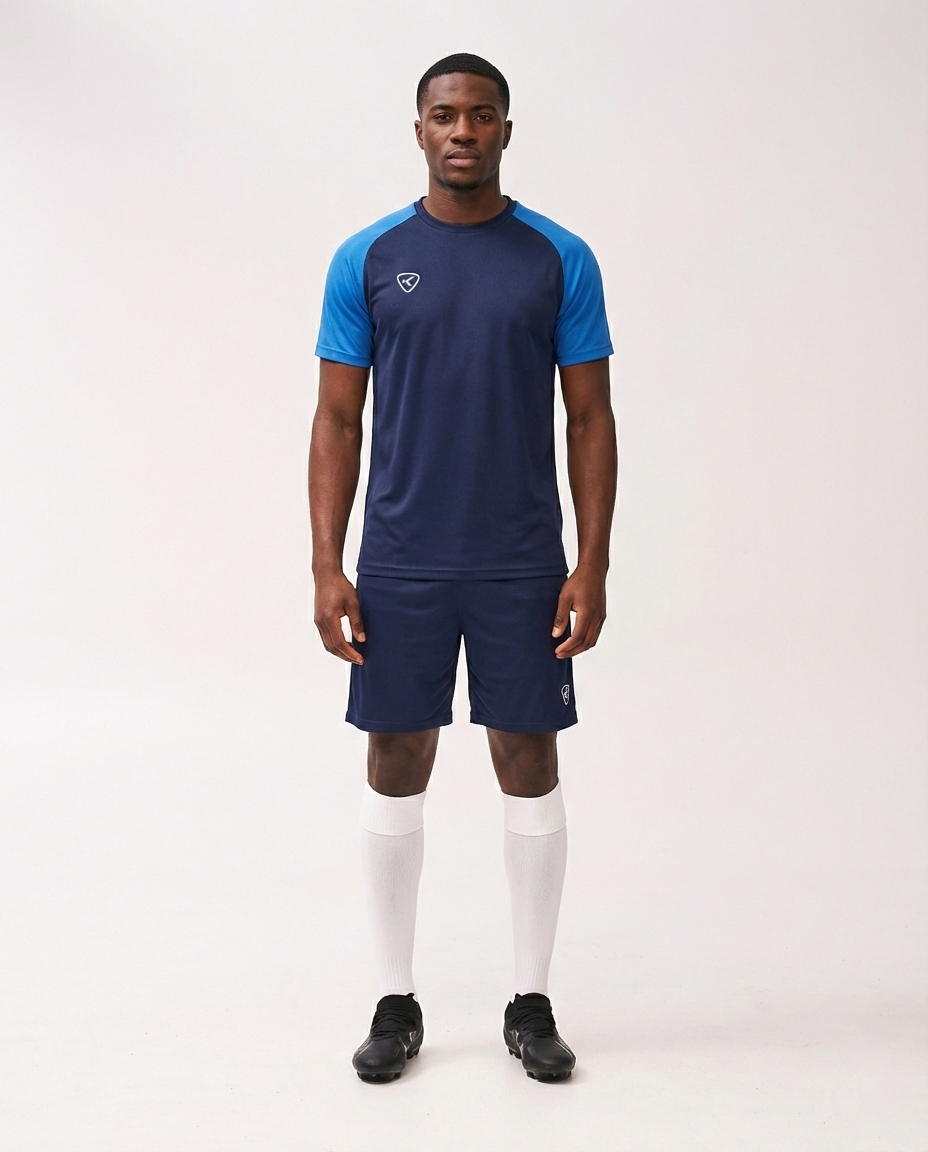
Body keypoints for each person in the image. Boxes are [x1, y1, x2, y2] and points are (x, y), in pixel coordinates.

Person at [309, 53, 616, 1083]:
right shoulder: (367, 258)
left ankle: (530, 1002)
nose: (462, 131)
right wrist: (327, 564)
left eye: (482, 115)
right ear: (419, 130)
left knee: (527, 759)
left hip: (521, 560)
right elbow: (337, 420)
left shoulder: (558, 258)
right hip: (400, 560)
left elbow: (589, 418)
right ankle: (395, 1001)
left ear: (505, 132)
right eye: (444, 115)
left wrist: (592, 564)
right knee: (395, 758)